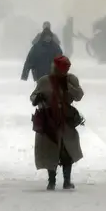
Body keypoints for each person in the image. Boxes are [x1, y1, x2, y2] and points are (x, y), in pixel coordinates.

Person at [30, 55, 84, 190]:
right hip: (49, 120)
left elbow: (79, 96)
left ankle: (67, 181)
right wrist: (38, 97)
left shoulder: (71, 80)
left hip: (65, 119)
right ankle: (51, 181)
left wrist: (69, 87)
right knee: (50, 150)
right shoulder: (44, 81)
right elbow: (33, 97)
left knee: (67, 151)